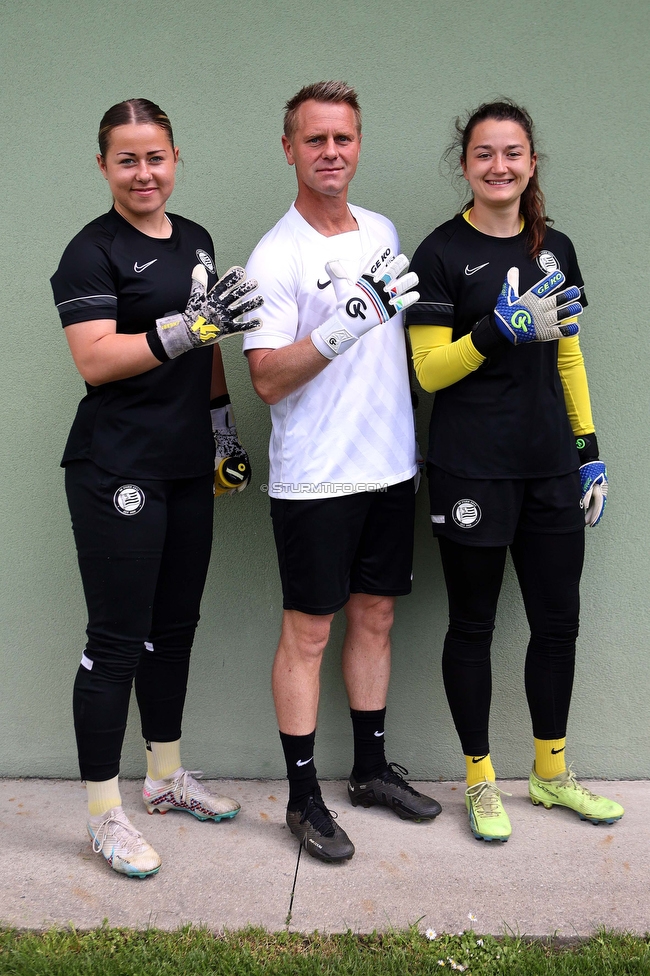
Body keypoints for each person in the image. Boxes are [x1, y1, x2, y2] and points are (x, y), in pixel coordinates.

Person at [50, 98, 263, 878]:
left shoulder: (198, 239)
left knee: (173, 627)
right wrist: (185, 328)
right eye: (128, 159)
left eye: (157, 157)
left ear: (176, 159)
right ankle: (104, 814)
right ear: (104, 165)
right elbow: (96, 359)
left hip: (183, 466)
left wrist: (222, 432)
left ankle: (165, 776)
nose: (145, 173)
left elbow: (208, 351)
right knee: (115, 641)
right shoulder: (90, 253)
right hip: (117, 469)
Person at [406, 99, 622, 843]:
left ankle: (551, 773)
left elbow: (567, 352)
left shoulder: (554, 247)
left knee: (558, 622)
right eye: (484, 154)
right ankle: (479, 781)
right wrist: (497, 331)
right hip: (472, 468)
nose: (499, 166)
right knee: (472, 624)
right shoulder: (438, 253)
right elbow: (430, 371)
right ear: (465, 164)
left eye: (513, 153)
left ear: (531, 162)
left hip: (551, 469)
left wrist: (588, 449)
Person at [244, 81, 442, 864]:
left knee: (378, 618)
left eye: (344, 139)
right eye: (315, 139)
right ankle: (302, 798)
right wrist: (342, 325)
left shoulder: (383, 230)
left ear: (359, 145)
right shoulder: (275, 255)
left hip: (390, 466)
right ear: (289, 148)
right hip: (317, 478)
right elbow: (265, 379)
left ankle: (368, 772)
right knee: (309, 632)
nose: (331, 152)